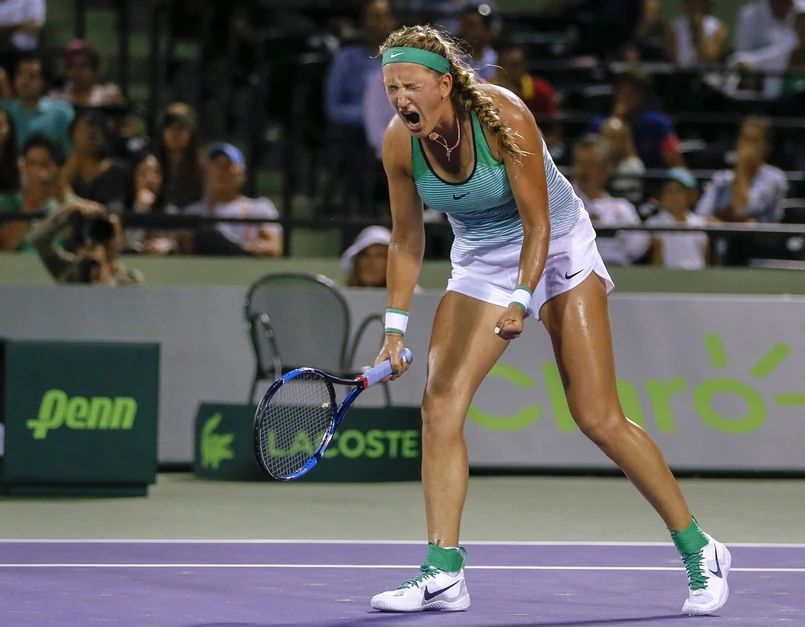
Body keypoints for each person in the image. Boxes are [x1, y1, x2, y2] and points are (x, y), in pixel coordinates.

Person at [368, 24, 731, 617]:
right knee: (440, 406)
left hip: (557, 246)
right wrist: (393, 328)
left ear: (445, 83)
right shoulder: (398, 144)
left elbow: (538, 224)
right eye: (391, 88)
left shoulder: (503, 117)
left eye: (410, 85)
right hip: (481, 259)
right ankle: (443, 572)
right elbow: (407, 240)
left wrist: (520, 299)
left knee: (597, 416)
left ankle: (701, 547)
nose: (400, 98)